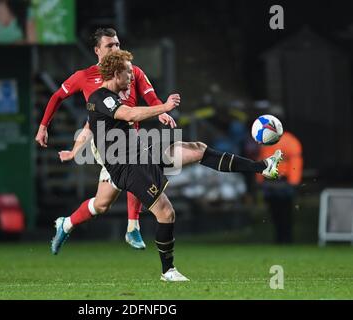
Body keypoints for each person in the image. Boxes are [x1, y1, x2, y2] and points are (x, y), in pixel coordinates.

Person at [51, 50, 283, 281]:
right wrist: (164, 107)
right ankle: (168, 271)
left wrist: (74, 151)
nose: (133, 77)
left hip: (141, 153)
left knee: (198, 149)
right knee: (166, 212)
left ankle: (263, 166)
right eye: (129, 73)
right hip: (128, 166)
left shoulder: (111, 98)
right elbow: (130, 113)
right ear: (115, 72)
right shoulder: (102, 98)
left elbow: (93, 126)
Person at [35, 28, 176, 249]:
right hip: (107, 143)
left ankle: (67, 224)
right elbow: (57, 96)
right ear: (97, 50)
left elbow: (150, 95)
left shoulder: (132, 71)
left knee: (101, 205)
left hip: (130, 138)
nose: (115, 49)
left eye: (117, 44)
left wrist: (162, 111)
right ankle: (133, 227)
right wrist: (43, 126)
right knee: (137, 167)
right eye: (109, 46)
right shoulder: (85, 76)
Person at [257, 130, 303, 244]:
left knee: (284, 212)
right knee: (276, 212)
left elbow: (295, 161)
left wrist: (293, 182)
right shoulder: (288, 140)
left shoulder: (288, 140)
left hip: (283, 181)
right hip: (274, 181)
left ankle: (286, 238)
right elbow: (261, 160)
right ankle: (281, 238)